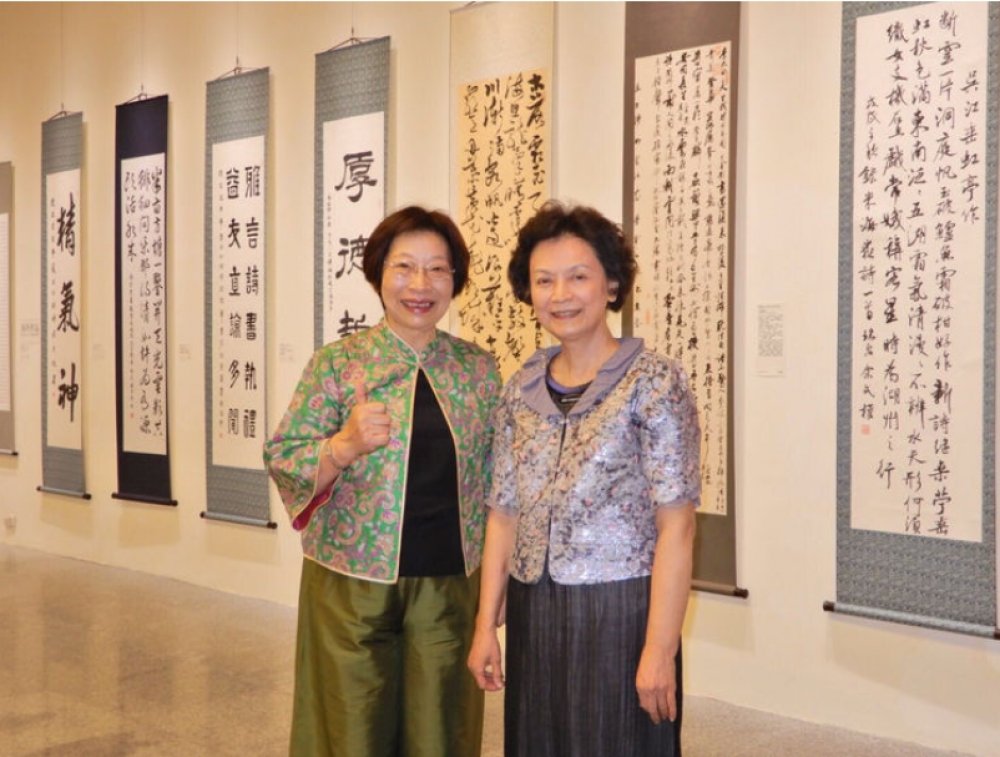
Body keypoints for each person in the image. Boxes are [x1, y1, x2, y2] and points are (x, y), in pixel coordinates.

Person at [264, 206, 501, 757]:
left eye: (437, 269)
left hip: (449, 583)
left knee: (441, 731)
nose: (420, 285)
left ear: (455, 280)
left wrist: (497, 590)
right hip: (350, 585)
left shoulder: (478, 370)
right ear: (377, 273)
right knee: (351, 730)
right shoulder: (337, 364)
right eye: (404, 267)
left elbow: (500, 487)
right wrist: (343, 446)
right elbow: (284, 456)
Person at [468, 202, 700, 756]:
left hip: (621, 609)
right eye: (544, 280)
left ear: (611, 284)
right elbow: (503, 512)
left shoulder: (654, 383)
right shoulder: (520, 388)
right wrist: (485, 625)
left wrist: (660, 648)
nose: (560, 295)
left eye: (578, 277)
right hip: (535, 606)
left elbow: (678, 527)